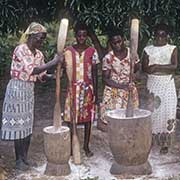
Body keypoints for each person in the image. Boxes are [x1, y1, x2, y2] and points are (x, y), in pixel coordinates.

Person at [1, 22, 64, 170]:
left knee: (27, 125)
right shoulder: (21, 49)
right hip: (17, 89)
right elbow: (33, 70)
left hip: (29, 91)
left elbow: (40, 76)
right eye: (39, 38)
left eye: (43, 39)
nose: (41, 42)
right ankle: (18, 160)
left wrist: (53, 76)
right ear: (30, 36)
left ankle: (25, 158)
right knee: (18, 125)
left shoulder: (39, 54)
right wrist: (54, 61)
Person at [63, 23, 99, 157]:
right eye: (79, 35)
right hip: (72, 89)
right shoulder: (68, 51)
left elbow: (95, 73)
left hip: (87, 90)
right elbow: (62, 69)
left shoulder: (92, 51)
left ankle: (86, 146)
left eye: (84, 35)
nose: (81, 38)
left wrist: (96, 92)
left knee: (87, 119)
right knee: (71, 118)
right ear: (75, 35)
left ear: (87, 36)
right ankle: (73, 145)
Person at [142, 23, 178, 154]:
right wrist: (153, 68)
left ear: (167, 36)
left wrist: (156, 66)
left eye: (163, 35)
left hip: (167, 83)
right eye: (157, 35)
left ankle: (165, 143)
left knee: (168, 112)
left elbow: (174, 66)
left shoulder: (172, 48)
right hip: (153, 84)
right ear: (154, 36)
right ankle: (150, 140)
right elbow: (144, 68)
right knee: (153, 113)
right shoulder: (148, 49)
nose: (160, 38)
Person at [100, 29, 139, 124]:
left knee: (130, 120)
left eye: (119, 41)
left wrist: (134, 77)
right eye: (114, 43)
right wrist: (121, 86)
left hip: (129, 90)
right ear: (111, 43)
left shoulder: (132, 54)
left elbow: (138, 70)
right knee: (114, 120)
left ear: (124, 40)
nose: (117, 45)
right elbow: (105, 79)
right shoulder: (108, 58)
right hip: (113, 91)